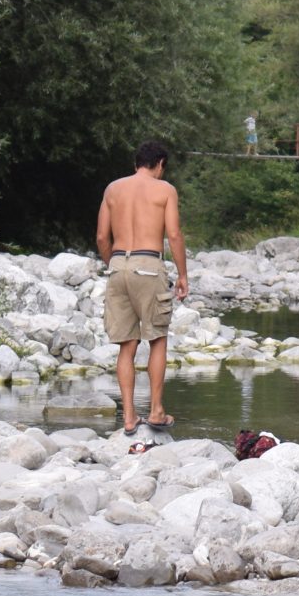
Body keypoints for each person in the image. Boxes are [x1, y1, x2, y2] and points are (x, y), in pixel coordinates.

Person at [95, 140, 189, 434]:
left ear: (136, 163)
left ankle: (128, 417)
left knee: (127, 345)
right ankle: (157, 411)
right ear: (160, 164)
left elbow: (102, 237)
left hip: (118, 265)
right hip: (148, 265)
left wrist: (113, 264)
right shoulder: (165, 190)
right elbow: (174, 234)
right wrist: (183, 275)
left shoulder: (113, 189)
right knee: (157, 338)